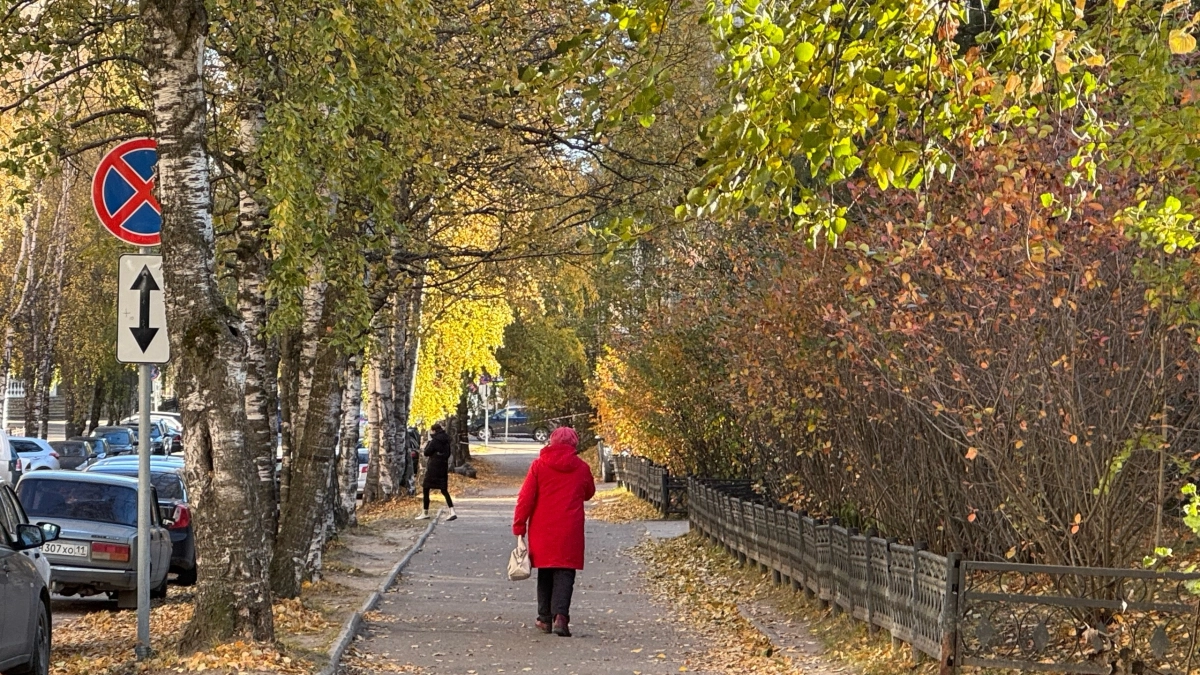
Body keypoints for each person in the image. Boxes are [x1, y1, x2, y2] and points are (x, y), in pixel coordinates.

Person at [511, 427, 596, 637]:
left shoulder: (539, 466)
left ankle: (544, 618)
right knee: (566, 571)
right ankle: (561, 617)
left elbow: (525, 498)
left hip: (543, 528)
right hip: (570, 527)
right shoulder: (581, 467)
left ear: (551, 442)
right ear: (574, 444)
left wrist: (519, 528)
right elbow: (589, 493)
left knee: (545, 571)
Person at [416, 424, 456, 521]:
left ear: (433, 431)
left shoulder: (434, 441)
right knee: (444, 490)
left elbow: (426, 452)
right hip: (443, 467)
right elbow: (447, 454)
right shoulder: (446, 440)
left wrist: (429, 442)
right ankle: (452, 511)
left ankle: (425, 512)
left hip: (433, 468)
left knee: (426, 488)